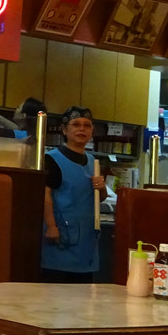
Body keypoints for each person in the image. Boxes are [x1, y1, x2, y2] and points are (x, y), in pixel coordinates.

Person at [41, 105, 108, 282]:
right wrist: (51, 226)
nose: (81, 129)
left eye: (87, 125)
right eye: (76, 124)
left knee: (84, 293)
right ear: (64, 130)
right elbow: (45, 195)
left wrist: (102, 189)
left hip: (87, 241)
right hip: (60, 238)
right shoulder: (52, 159)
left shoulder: (92, 161)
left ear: (92, 131)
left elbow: (98, 199)